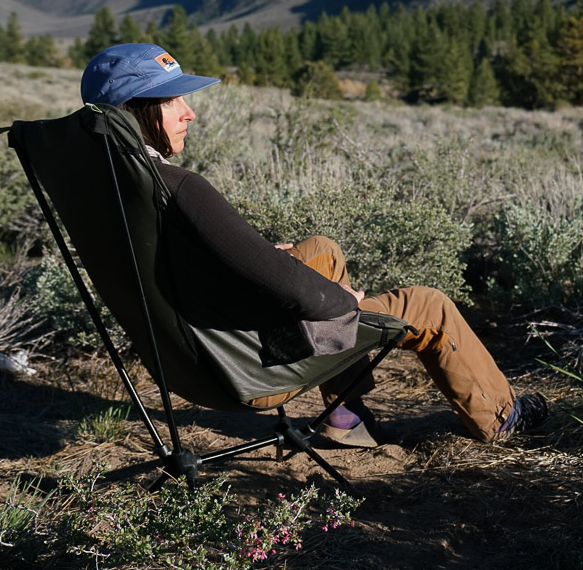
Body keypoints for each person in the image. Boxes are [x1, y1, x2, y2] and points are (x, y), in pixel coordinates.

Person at [79, 43, 548, 445]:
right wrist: (342, 301)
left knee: (320, 249)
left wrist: (262, 261)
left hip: (185, 358)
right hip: (244, 365)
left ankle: (346, 417)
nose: (190, 112)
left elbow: (181, 272)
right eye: (172, 101)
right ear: (134, 111)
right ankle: (502, 418)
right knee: (430, 307)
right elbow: (303, 295)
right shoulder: (179, 188)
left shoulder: (105, 195)